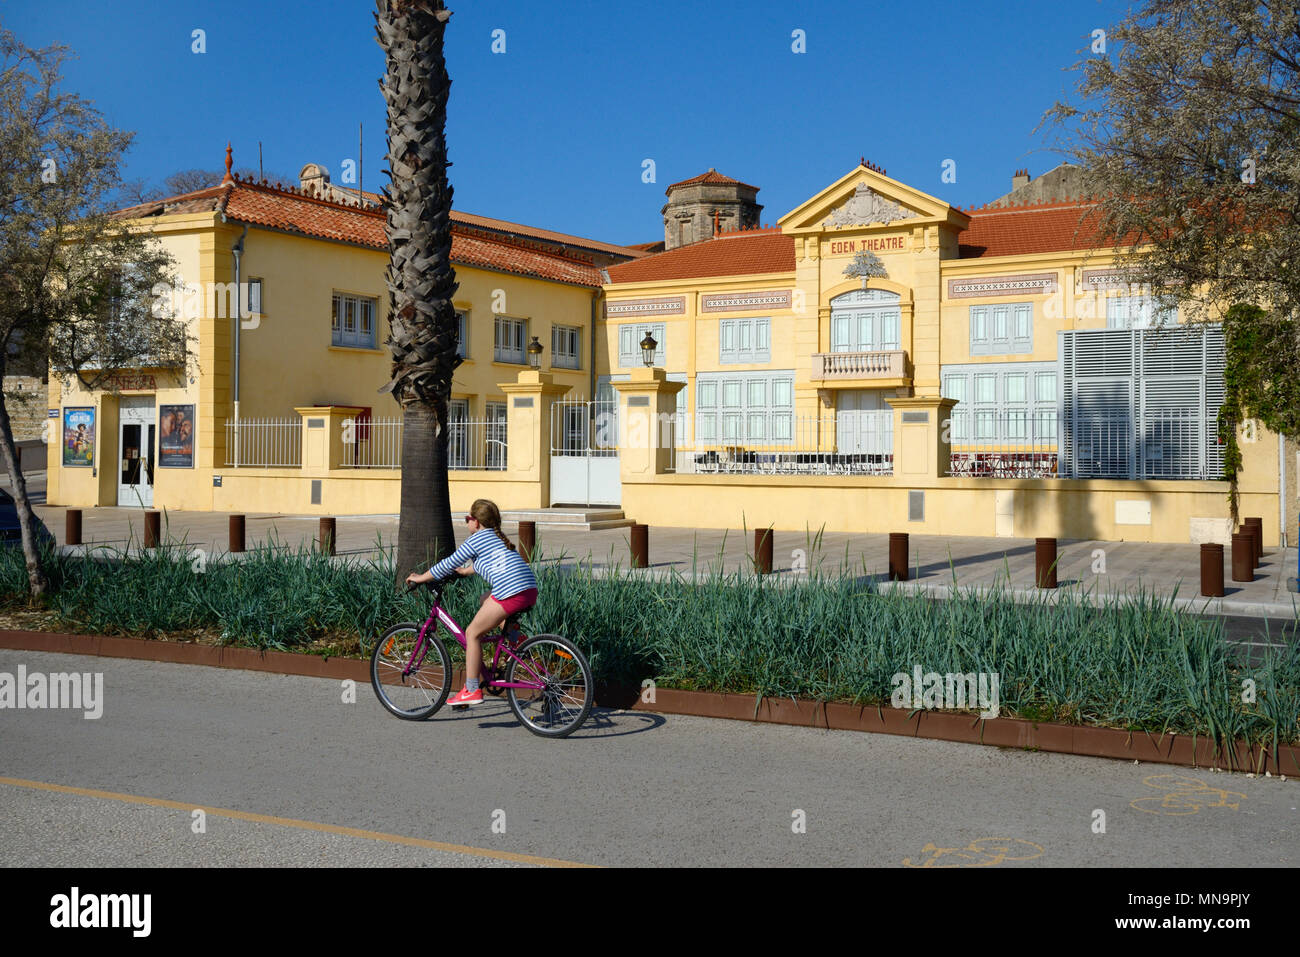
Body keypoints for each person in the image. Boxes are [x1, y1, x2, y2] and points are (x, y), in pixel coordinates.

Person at [404, 498, 537, 706]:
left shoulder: (477, 539)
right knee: (486, 598)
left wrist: (420, 577)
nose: (467, 523)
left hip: (510, 591)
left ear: (476, 522)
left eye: (468, 518)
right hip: (528, 589)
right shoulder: (496, 537)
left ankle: (472, 690)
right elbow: (493, 560)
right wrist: (466, 571)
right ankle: (515, 639)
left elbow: (449, 563)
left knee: (472, 633)